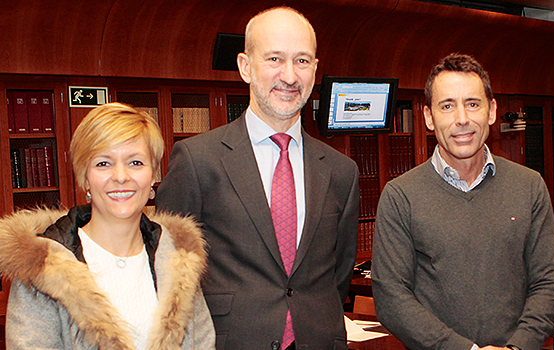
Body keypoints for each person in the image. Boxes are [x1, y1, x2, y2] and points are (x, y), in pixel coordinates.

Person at [155, 6, 359, 350]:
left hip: (320, 340)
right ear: (245, 67)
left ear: (315, 68)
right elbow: (170, 268)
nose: (290, 76)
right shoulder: (197, 160)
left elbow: (340, 270)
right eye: (275, 59)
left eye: (302, 61)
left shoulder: (341, 171)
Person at [371, 53, 554, 350]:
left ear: (491, 111)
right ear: (428, 118)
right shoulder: (401, 195)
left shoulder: (529, 186)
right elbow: (392, 298)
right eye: (447, 106)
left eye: (472, 104)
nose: (461, 119)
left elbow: (549, 281)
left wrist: (518, 347)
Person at [0, 102, 214, 349]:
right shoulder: (41, 268)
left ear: (154, 174)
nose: (121, 176)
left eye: (135, 162)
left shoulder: (180, 259)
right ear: (85, 177)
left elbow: (203, 343)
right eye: (103, 163)